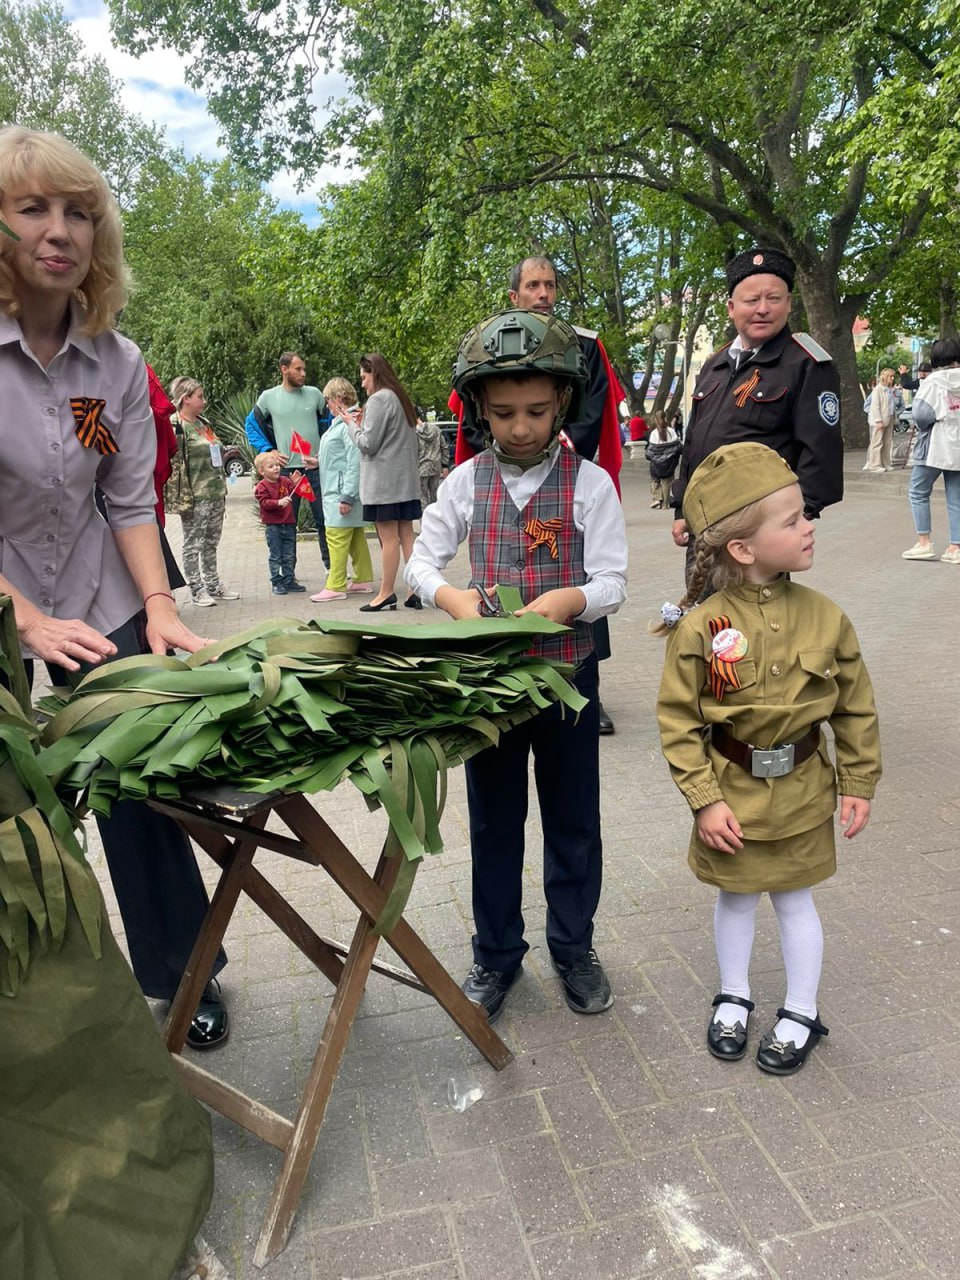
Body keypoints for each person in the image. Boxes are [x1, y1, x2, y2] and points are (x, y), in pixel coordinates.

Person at [0, 125, 228, 1047]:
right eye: (33, 209)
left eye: (79, 213)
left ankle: (183, 976)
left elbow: (129, 500)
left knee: (142, 787)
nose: (60, 231)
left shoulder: (116, 366)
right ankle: (48, 1005)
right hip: (5, 611)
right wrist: (26, 619)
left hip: (103, 596)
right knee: (25, 818)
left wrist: (162, 610)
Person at [407, 308, 628, 1023]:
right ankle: (496, 954)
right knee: (495, 821)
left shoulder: (592, 484)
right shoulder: (466, 484)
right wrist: (449, 598)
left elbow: (614, 581)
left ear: (562, 401)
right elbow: (417, 560)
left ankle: (574, 948)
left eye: (536, 410)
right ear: (478, 409)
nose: (521, 427)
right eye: (503, 413)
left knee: (573, 821)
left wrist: (574, 599)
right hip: (492, 688)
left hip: (568, 681)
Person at [655, 443, 880, 1074]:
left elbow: (854, 707)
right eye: (793, 519)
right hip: (732, 795)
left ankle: (800, 1010)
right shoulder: (702, 627)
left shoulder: (827, 618)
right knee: (733, 898)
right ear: (743, 549)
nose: (809, 525)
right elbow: (679, 720)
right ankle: (735, 996)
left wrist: (858, 780)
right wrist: (704, 799)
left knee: (794, 901)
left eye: (804, 514)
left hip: (806, 792)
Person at [453, 255, 625, 733]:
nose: (544, 293)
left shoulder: (583, 345)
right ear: (516, 295)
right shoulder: (486, 349)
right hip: (493, 666)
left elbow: (591, 409)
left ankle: (592, 693)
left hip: (566, 470)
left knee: (578, 580)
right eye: (534, 285)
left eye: (550, 284)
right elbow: (471, 420)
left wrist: (564, 455)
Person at [671, 247, 844, 574]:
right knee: (707, 619)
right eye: (752, 301)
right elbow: (693, 442)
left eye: (774, 299)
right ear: (732, 308)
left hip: (759, 532)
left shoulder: (806, 365)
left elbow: (820, 455)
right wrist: (682, 508)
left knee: (757, 621)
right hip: (707, 526)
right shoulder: (715, 365)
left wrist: (790, 521)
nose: (763, 309)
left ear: (789, 304)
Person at [338, 353, 421, 612]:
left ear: (375, 374)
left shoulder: (379, 399)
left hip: (384, 485)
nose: (362, 384)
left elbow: (368, 444)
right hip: (405, 482)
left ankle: (386, 593)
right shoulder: (400, 397)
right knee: (407, 534)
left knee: (388, 538)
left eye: (364, 377)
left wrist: (351, 424)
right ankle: (415, 589)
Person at [247, 350, 331, 572]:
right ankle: (287, 573)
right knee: (285, 524)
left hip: (313, 469)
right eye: (298, 369)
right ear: (284, 369)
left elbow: (331, 426)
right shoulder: (268, 397)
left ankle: (332, 569)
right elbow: (251, 426)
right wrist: (269, 450)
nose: (303, 373)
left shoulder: (315, 395)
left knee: (324, 520)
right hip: (283, 473)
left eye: (304, 369)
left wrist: (323, 455)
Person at [168, 376, 239, 607]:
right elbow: (174, 463)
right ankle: (196, 589)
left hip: (215, 491)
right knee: (193, 544)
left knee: (211, 542)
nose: (204, 401)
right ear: (185, 399)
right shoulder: (176, 425)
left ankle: (213, 584)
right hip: (194, 495)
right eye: (199, 396)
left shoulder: (203, 422)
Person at [310, 377, 375, 601]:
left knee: (336, 537)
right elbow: (340, 458)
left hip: (341, 493)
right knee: (356, 535)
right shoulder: (345, 422)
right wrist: (318, 461)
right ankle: (363, 578)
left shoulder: (349, 423)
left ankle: (336, 584)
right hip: (342, 491)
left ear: (338, 399)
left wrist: (347, 496)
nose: (326, 405)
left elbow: (354, 460)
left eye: (328, 400)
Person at [901, 337, 960, 564]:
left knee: (918, 491)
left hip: (935, 445)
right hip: (958, 446)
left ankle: (924, 543)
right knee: (956, 497)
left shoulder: (933, 382)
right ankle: (956, 547)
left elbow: (922, 415)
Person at [252, 450, 299, 593]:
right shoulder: (262, 486)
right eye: (271, 466)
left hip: (288, 523)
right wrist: (278, 503)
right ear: (262, 471)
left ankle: (289, 579)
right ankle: (276, 582)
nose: (276, 468)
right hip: (273, 527)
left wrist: (296, 483)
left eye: (277, 465)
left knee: (289, 554)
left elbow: (293, 490)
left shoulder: (285, 481)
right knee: (276, 556)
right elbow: (264, 503)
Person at [863, 367, 897, 473]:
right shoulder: (878, 390)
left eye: (893, 376)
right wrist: (878, 420)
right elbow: (875, 406)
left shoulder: (890, 390)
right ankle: (874, 464)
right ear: (885, 377)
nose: (892, 378)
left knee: (887, 442)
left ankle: (885, 463)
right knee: (877, 442)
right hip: (880, 419)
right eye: (890, 376)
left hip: (889, 417)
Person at [645, 410, 682, 508]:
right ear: (665, 418)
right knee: (667, 481)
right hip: (669, 462)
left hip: (656, 462)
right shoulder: (671, 431)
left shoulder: (653, 433)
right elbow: (677, 447)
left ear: (655, 420)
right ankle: (666, 503)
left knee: (654, 479)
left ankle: (657, 498)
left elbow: (651, 450)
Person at [416, 411, 450, 510]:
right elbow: (444, 447)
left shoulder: (413, 433)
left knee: (423, 500)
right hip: (436, 467)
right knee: (435, 497)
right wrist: (445, 465)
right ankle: (435, 521)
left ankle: (425, 523)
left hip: (421, 469)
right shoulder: (435, 429)